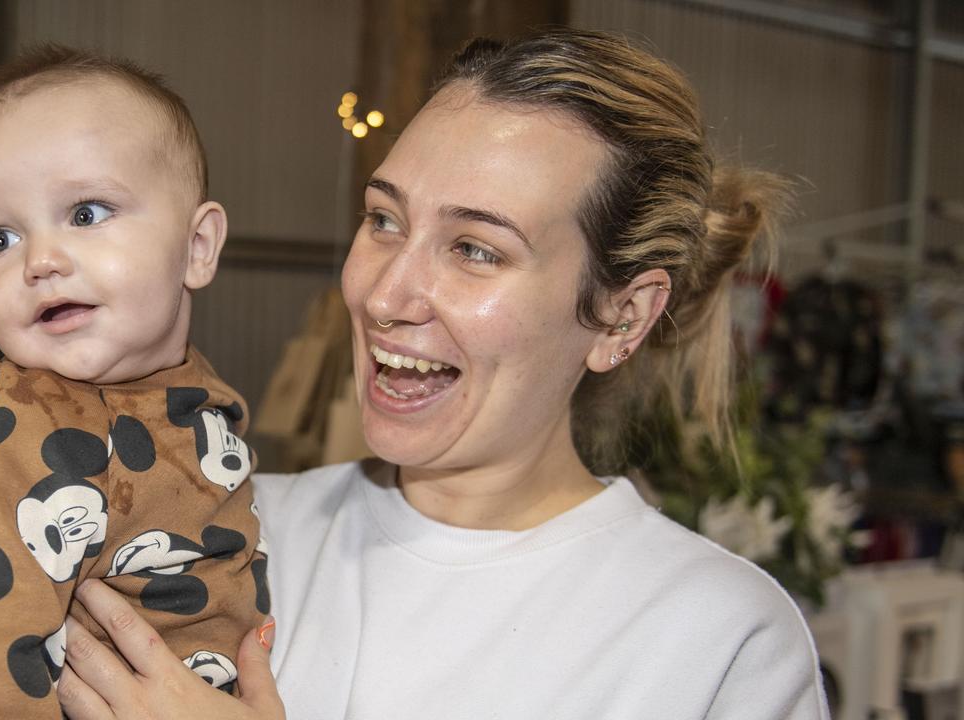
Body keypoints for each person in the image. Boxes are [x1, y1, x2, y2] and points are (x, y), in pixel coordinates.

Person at [53, 28, 831, 720]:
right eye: (384, 220)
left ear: (622, 317)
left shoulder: (717, 642)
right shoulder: (213, 534)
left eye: (475, 249)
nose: (385, 294)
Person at [0, 45, 268, 718]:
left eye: (85, 213)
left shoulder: (198, 397)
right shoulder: (20, 437)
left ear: (197, 248)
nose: (40, 260)